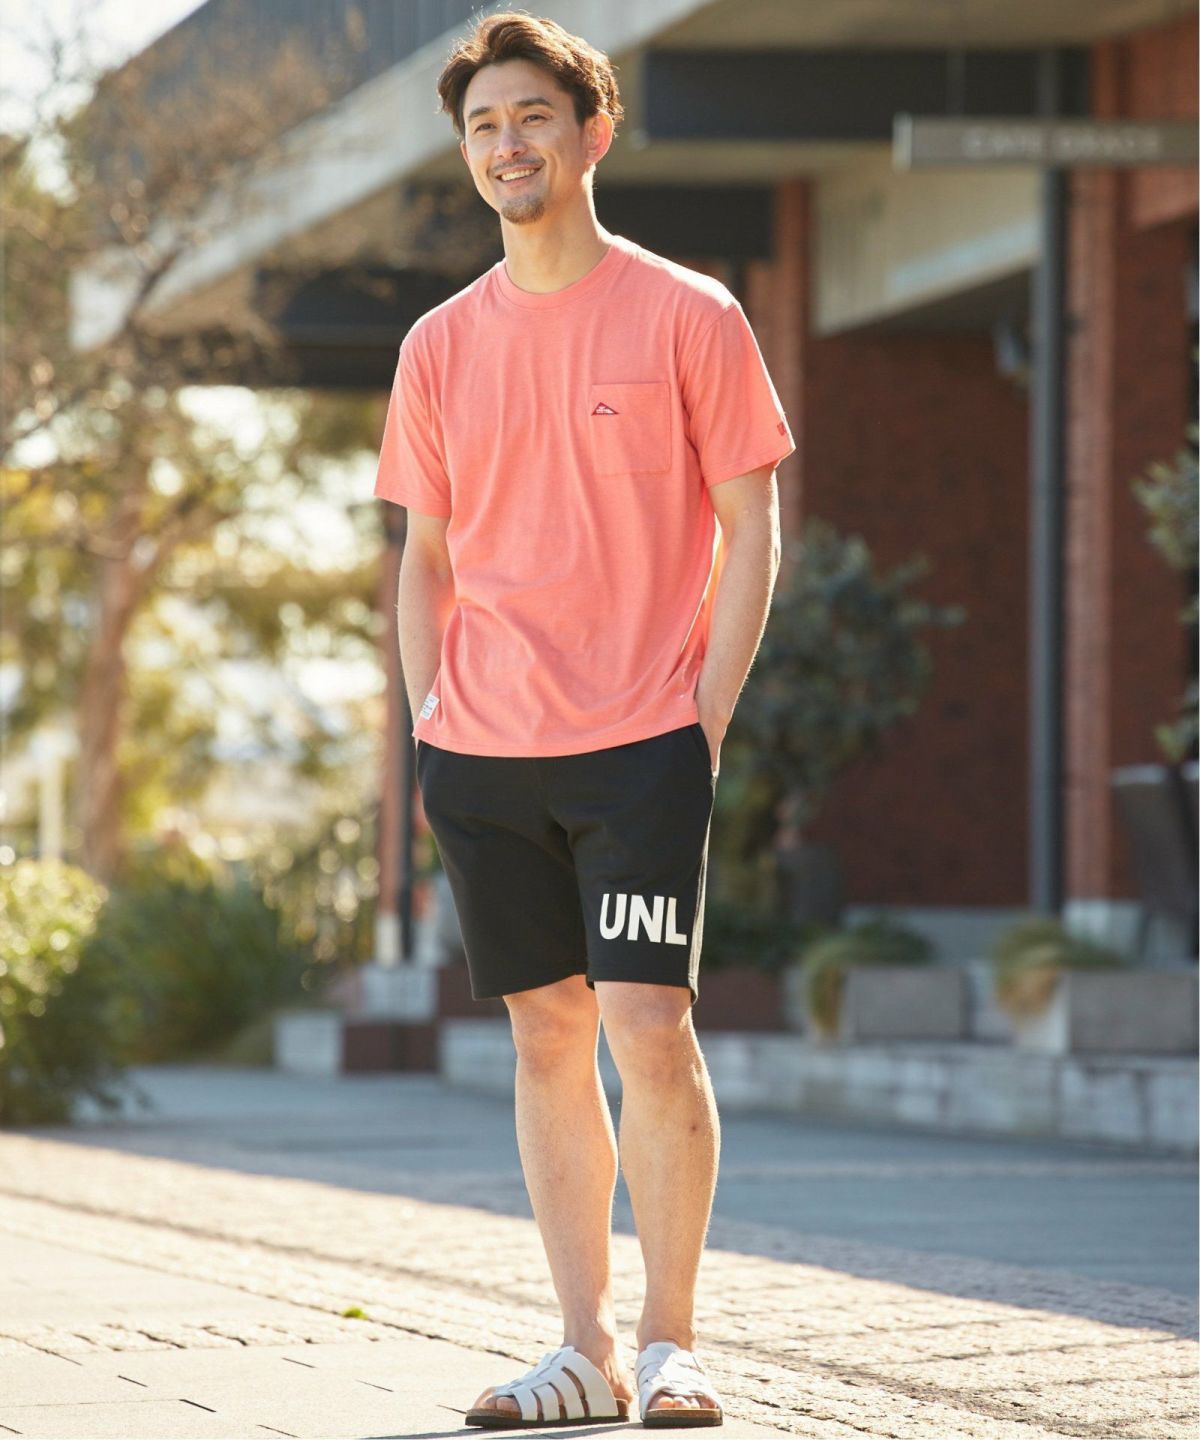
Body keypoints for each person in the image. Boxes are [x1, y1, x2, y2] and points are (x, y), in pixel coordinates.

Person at [373, 10, 794, 1429]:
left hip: (641, 744)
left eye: (532, 118)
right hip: (483, 753)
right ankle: (583, 1349)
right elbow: (425, 556)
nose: (508, 145)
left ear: (592, 133)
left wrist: (704, 714)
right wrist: (432, 720)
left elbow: (752, 523)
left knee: (648, 1026)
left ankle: (673, 1344)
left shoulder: (691, 314)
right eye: (484, 125)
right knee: (546, 1033)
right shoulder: (439, 345)